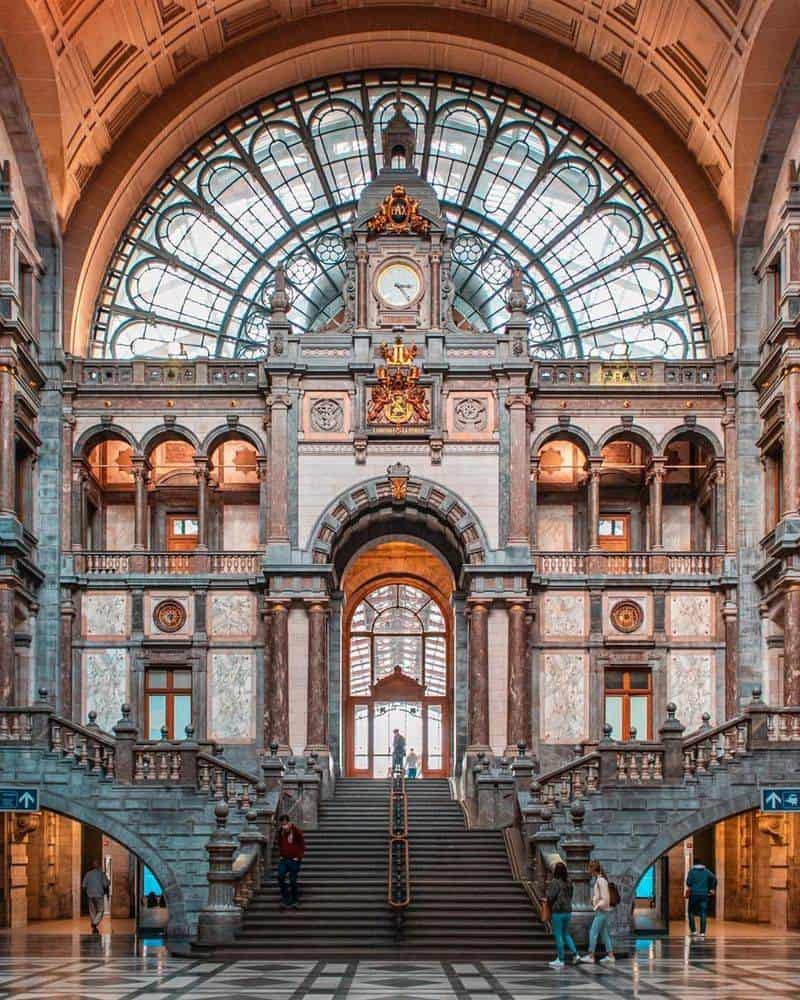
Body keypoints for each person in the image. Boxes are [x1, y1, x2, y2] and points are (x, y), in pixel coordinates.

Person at [579, 861, 616, 965]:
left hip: (602, 911)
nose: (588, 871)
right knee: (604, 933)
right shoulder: (601, 880)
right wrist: (595, 900)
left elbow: (605, 899)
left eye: (589, 869)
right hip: (604, 911)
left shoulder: (600, 881)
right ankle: (610, 955)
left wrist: (596, 906)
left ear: (593, 869)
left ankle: (591, 955)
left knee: (593, 932)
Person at [546, 862, 580, 969]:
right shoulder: (569, 882)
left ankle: (560, 959)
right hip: (567, 911)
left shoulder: (555, 882)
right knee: (566, 934)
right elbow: (571, 895)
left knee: (558, 935)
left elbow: (550, 896)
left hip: (558, 911)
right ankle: (575, 954)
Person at [276, 813, 306, 909]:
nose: (284, 826)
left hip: (294, 860)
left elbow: (302, 844)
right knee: (280, 876)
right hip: (284, 859)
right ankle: (286, 897)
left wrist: (299, 857)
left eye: (285, 824)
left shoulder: (296, 831)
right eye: (282, 824)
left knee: (293, 881)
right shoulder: (280, 832)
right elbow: (280, 843)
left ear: (289, 823)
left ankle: (295, 900)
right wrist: (281, 854)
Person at [685, 861, 717, 938]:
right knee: (703, 913)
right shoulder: (706, 871)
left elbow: (688, 883)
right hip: (704, 894)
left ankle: (693, 931)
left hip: (693, 894)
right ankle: (702, 932)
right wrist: (712, 888)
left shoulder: (692, 871)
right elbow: (714, 878)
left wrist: (692, 884)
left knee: (691, 912)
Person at [82, 861, 110, 935]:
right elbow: (106, 884)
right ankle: (95, 923)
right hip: (99, 894)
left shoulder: (88, 874)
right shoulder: (101, 874)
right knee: (101, 910)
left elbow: (84, 885)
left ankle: (94, 924)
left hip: (90, 895)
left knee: (92, 910)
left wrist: (87, 892)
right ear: (99, 866)